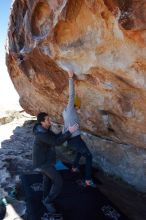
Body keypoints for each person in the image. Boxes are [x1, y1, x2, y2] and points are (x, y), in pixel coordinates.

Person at [33, 112, 78, 213]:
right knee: (58, 181)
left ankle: (45, 198)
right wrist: (69, 132)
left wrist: (64, 131)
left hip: (45, 160)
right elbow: (56, 142)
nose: (50, 121)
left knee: (47, 178)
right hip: (43, 162)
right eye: (48, 119)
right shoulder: (41, 134)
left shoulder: (45, 130)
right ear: (42, 122)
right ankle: (48, 201)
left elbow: (55, 138)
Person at [63, 70, 96, 188]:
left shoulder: (65, 112)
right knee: (88, 156)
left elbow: (66, 126)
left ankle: (74, 167)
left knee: (79, 151)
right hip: (75, 139)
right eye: (78, 106)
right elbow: (72, 95)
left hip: (71, 139)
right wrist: (71, 78)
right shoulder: (71, 109)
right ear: (75, 105)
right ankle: (88, 180)